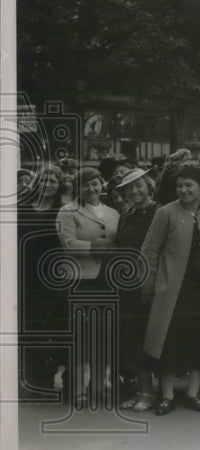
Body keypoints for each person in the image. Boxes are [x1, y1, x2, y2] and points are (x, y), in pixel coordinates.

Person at [138, 166, 200, 415]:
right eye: (179, 185)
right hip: (171, 288)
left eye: (189, 185)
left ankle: (194, 393)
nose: (184, 190)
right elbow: (149, 251)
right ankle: (167, 395)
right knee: (168, 342)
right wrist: (149, 285)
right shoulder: (165, 212)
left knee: (198, 340)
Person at [56, 166, 121, 405]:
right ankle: (77, 388)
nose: (92, 188)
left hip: (107, 280)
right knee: (81, 336)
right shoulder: (67, 211)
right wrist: (95, 247)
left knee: (104, 334)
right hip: (81, 279)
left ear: (102, 184)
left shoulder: (114, 212)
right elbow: (68, 243)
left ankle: (99, 383)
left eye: (96, 183)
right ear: (77, 188)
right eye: (86, 184)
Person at [113, 168, 160, 412]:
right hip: (127, 285)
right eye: (130, 188)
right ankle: (140, 389)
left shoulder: (160, 211)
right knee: (132, 338)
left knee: (151, 339)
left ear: (149, 185)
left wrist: (150, 284)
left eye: (139, 185)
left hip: (151, 284)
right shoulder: (127, 212)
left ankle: (152, 392)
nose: (135, 191)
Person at [17, 164, 66, 392]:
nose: (48, 185)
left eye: (53, 181)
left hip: (49, 277)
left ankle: (46, 378)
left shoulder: (63, 210)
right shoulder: (22, 206)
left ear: (59, 186)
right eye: (44, 180)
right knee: (25, 326)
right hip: (24, 274)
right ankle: (28, 378)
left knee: (48, 328)